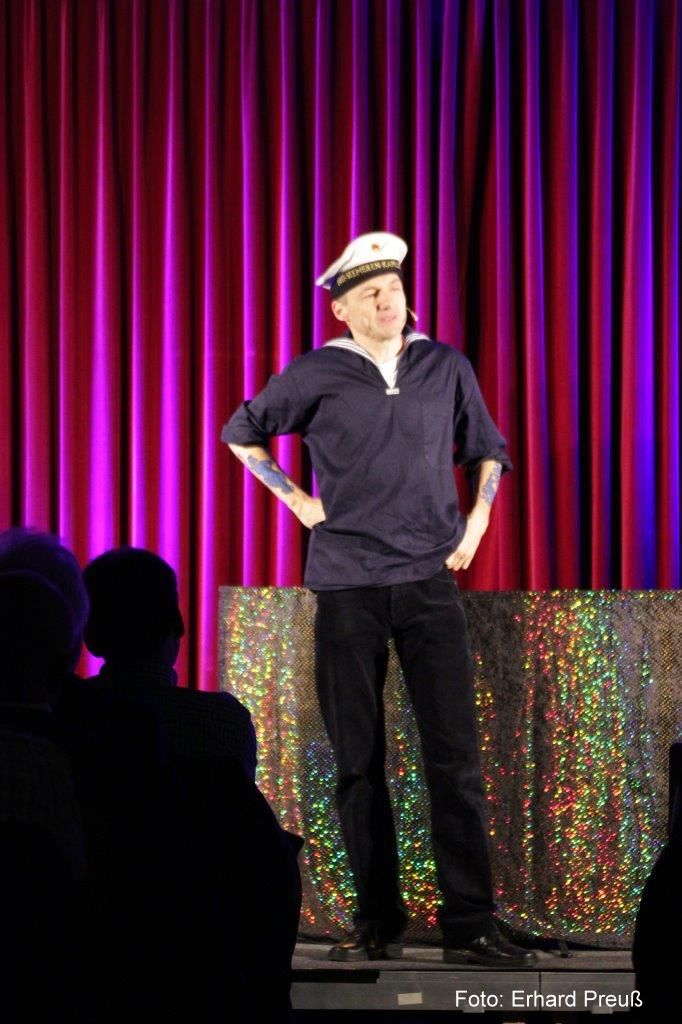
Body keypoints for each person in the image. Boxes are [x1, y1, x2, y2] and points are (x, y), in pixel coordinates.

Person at [223, 231, 536, 967]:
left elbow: (487, 449)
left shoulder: (443, 365)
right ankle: (376, 921)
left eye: (392, 286)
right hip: (347, 584)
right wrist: (298, 502)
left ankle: (470, 923)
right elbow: (243, 432)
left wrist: (476, 523)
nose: (386, 300)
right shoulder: (317, 372)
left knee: (454, 758)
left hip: (428, 581)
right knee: (358, 762)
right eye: (368, 292)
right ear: (342, 309)